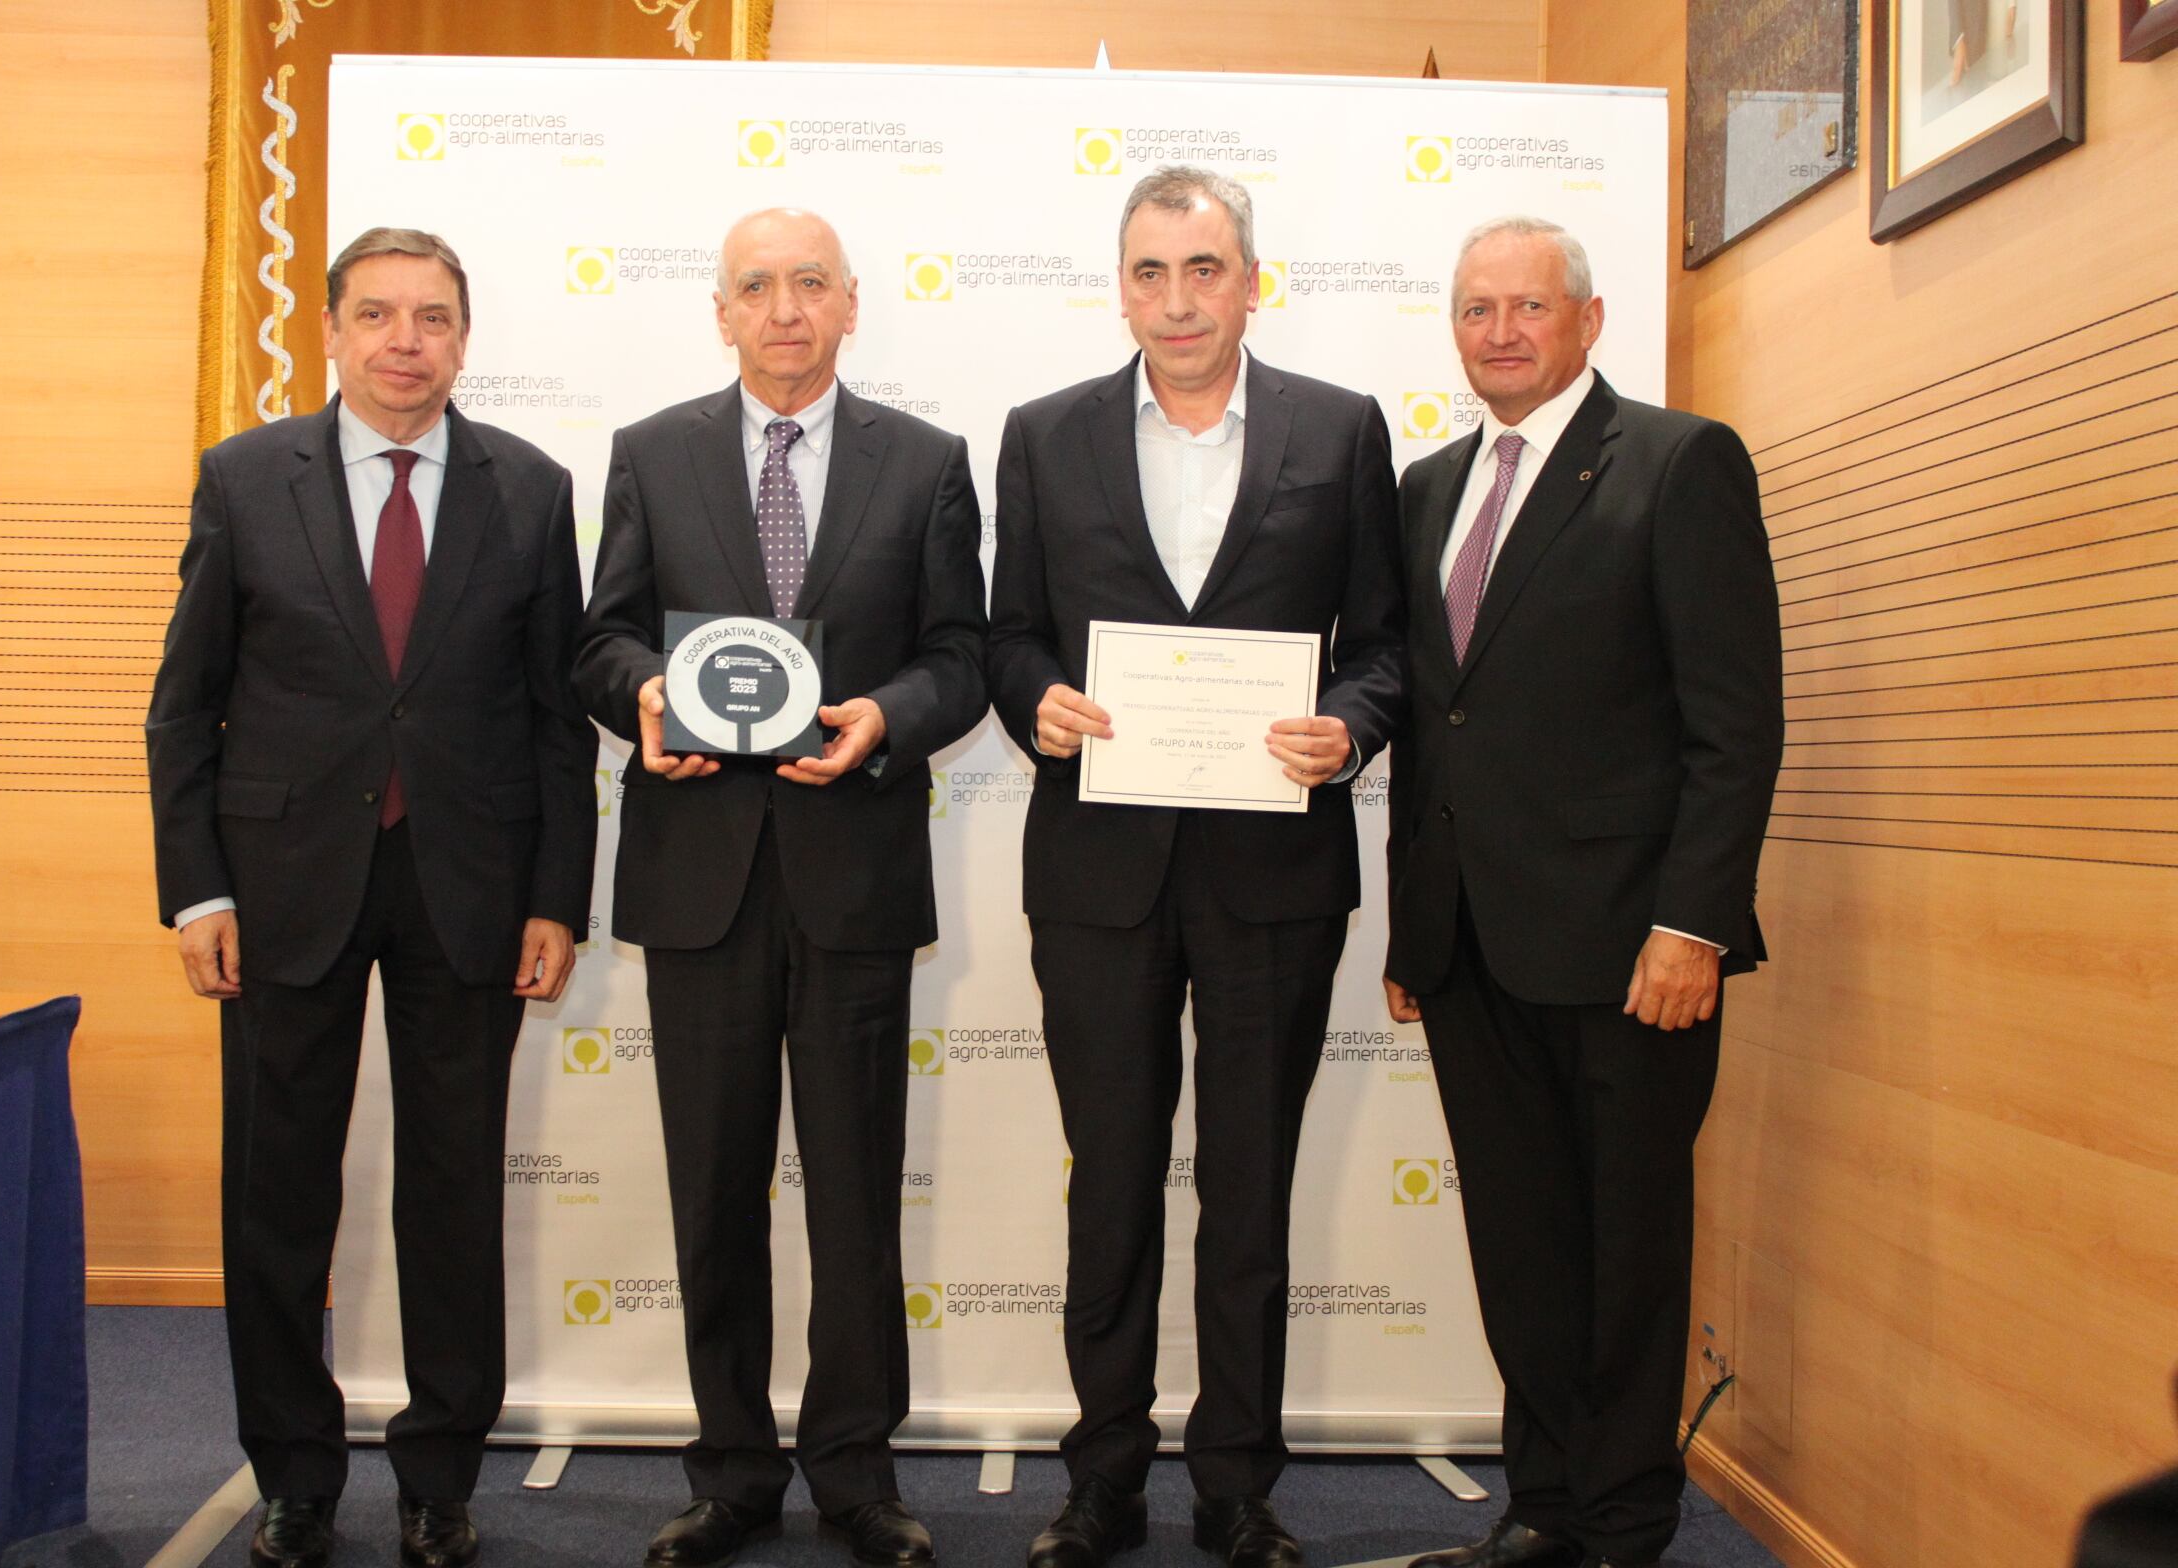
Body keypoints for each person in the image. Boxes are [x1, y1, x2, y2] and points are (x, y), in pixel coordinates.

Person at [145, 227, 598, 1568]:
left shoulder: (531, 487)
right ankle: (293, 1474)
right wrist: (195, 894)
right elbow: (187, 709)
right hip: (281, 888)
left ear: (466, 336)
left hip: (470, 885)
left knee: (454, 1189)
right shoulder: (245, 477)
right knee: (279, 1193)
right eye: (380, 315)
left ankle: (440, 1476)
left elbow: (554, 722)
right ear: (331, 332)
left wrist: (556, 897)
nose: (408, 340)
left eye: (435, 317)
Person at [986, 165, 1402, 1568]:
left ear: (1249, 280)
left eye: (1204, 269)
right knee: (1108, 1183)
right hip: (1097, 874)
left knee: (1249, 1191)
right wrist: (1033, 700)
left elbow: (1390, 648)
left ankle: (1236, 1483)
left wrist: (1348, 727)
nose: (1177, 298)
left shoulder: (1341, 433)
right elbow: (1007, 635)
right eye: (1151, 271)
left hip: (1273, 880)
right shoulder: (1042, 437)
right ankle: (1102, 1476)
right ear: (1122, 287)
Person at [572, 207, 987, 1568]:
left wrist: (887, 716)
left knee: (858, 1194)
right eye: (758, 286)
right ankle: (732, 1470)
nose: (785, 309)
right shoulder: (654, 453)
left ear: (853, 304)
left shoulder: (925, 463)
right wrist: (639, 692)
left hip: (854, 874)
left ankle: (856, 1474)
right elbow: (603, 639)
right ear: (722, 311)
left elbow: (960, 659)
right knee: (712, 1190)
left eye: (811, 284)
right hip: (700, 880)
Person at [1385, 216, 1783, 1568]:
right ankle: (1544, 1506)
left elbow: (1735, 725)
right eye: (1476, 308)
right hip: (1467, 944)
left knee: (1625, 1251)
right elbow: (1441, 717)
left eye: (1528, 307)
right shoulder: (1427, 489)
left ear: (1589, 321)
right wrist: (1411, 919)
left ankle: (1621, 1522)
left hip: (1631, 949)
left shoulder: (1679, 464)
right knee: (1522, 1244)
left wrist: (1696, 925)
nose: (1501, 331)